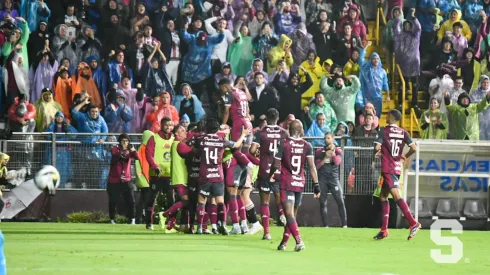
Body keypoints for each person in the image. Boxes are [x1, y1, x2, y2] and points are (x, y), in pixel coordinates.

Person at [269, 120, 320, 252]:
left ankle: (299, 241)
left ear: (289, 130)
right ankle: (284, 243)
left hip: (287, 183)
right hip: (300, 183)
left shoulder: (283, 144)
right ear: (301, 130)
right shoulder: (307, 145)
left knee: (289, 214)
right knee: (292, 215)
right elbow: (312, 166)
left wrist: (270, 174)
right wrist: (316, 185)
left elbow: (275, 164)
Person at [194, 118, 249, 235]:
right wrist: (243, 135)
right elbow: (237, 145)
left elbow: (194, 148)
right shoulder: (221, 140)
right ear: (217, 129)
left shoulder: (201, 140)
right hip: (218, 174)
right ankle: (222, 224)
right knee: (220, 201)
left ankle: (199, 227)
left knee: (202, 201)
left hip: (205, 174)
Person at [373, 109, 421, 240]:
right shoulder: (403, 132)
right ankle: (384, 230)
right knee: (383, 196)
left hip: (388, 168)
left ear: (392, 117)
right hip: (396, 167)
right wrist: (404, 156)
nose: (386, 117)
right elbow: (414, 148)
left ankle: (413, 223)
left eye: (387, 115)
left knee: (395, 195)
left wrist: (379, 152)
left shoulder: (384, 131)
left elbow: (377, 147)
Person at [249, 108, 288, 240]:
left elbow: (252, 150)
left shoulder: (261, 132)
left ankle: (267, 232)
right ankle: (283, 214)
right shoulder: (284, 133)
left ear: (266, 118)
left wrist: (260, 154)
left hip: (265, 169)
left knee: (264, 202)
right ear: (277, 118)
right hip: (279, 169)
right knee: (280, 197)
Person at [145, 117, 175, 230]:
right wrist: (155, 167)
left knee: (171, 200)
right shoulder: (154, 138)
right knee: (152, 199)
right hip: (156, 174)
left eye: (171, 125)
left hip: (170, 174)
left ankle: (170, 223)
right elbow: (149, 154)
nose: (169, 127)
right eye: (167, 125)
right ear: (162, 125)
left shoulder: (174, 138)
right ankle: (149, 222)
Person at [315, 132, 347, 228]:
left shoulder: (338, 151)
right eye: (325, 138)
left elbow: (337, 162)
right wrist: (324, 158)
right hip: (322, 179)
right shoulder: (319, 152)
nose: (326, 140)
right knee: (322, 202)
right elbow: (316, 167)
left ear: (332, 139)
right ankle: (325, 226)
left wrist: (332, 154)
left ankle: (345, 225)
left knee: (340, 201)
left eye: (328, 138)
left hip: (333, 178)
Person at [107, 134, 139, 225]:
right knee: (113, 201)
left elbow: (137, 157)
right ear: (120, 141)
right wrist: (125, 152)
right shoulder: (115, 149)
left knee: (131, 200)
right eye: (123, 141)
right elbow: (115, 154)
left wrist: (132, 150)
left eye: (127, 141)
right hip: (114, 180)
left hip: (126, 180)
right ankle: (112, 219)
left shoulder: (130, 150)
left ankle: (132, 219)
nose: (125, 143)